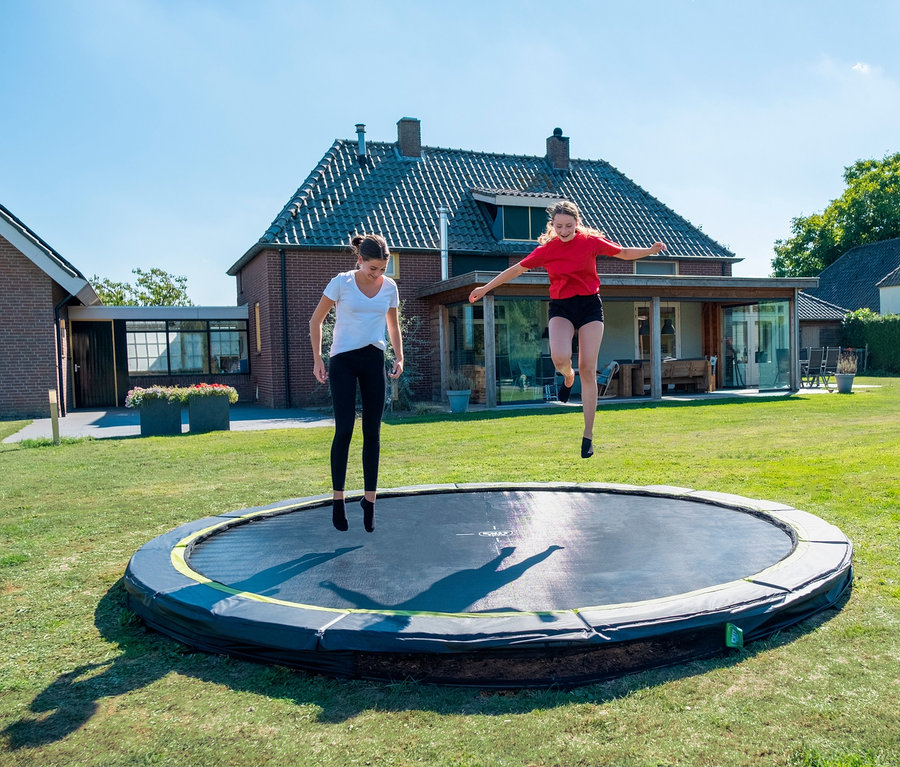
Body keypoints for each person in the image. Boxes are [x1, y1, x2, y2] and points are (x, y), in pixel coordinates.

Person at [469, 200, 665, 459]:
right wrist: (485, 288)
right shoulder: (547, 250)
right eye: (559, 226)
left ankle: (588, 436)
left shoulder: (590, 242)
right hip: (561, 307)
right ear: (553, 225)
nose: (563, 231)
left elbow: (624, 253)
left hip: (590, 306)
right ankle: (567, 377)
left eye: (569, 226)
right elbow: (515, 270)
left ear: (577, 223)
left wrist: (649, 251)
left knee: (587, 368)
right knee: (559, 358)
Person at [310, 234, 403, 532]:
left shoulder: (389, 287)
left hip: (374, 359)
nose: (379, 274)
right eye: (373, 268)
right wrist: (318, 359)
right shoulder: (341, 283)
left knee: (372, 432)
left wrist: (398, 357)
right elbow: (316, 321)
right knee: (345, 429)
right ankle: (338, 501)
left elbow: (392, 325)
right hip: (343, 362)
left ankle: (369, 501)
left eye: (383, 268)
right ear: (360, 260)